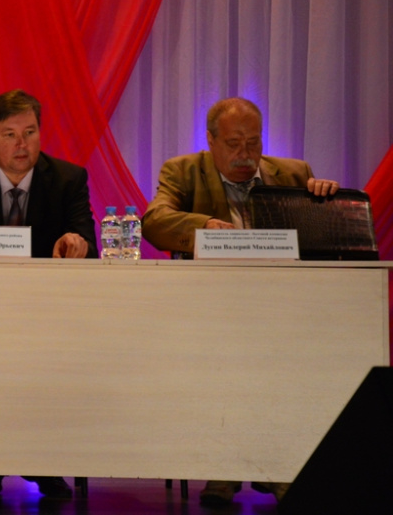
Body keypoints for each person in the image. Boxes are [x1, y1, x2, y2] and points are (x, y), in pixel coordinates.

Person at [140, 97, 339, 507]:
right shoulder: (183, 171)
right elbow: (155, 222)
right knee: (229, 359)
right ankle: (229, 469)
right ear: (211, 140)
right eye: (233, 144)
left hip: (281, 310)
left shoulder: (295, 173)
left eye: (253, 142)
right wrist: (204, 226)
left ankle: (273, 466)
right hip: (211, 310)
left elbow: (320, 239)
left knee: (286, 362)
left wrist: (325, 200)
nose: (245, 154)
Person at [0, 89, 97, 498]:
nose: (21, 144)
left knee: (44, 368)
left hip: (48, 314)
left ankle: (43, 462)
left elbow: (87, 241)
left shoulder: (69, 179)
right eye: (9, 134)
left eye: (30, 132)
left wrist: (76, 242)